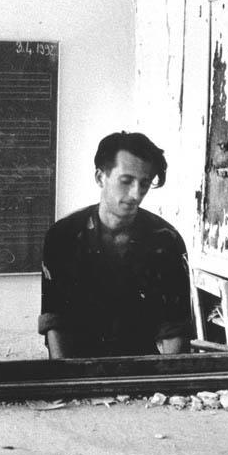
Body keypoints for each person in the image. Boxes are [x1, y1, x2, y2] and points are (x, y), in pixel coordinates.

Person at [38, 131, 193, 358]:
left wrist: (169, 386)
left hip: (141, 368)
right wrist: (67, 382)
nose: (136, 194)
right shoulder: (63, 236)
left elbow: (175, 329)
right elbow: (56, 323)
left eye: (144, 183)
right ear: (101, 177)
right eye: (126, 181)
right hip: (79, 366)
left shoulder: (166, 240)